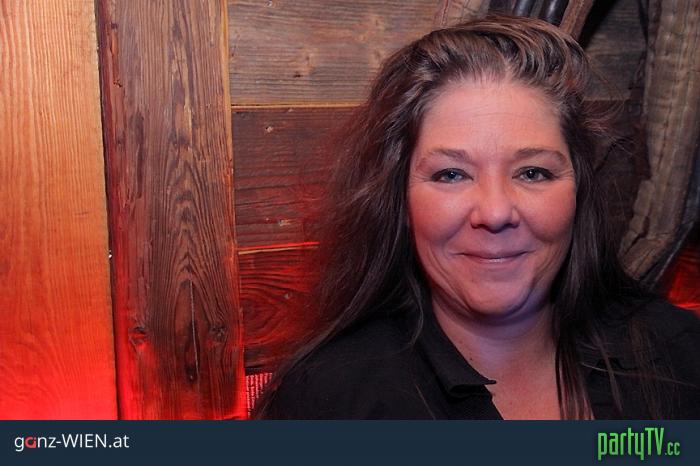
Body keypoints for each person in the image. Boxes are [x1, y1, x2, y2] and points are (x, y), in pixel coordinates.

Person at [254, 15, 700, 419]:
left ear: (578, 194)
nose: (495, 212)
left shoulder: (682, 355)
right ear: (400, 202)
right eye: (451, 174)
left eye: (533, 172)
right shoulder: (327, 403)